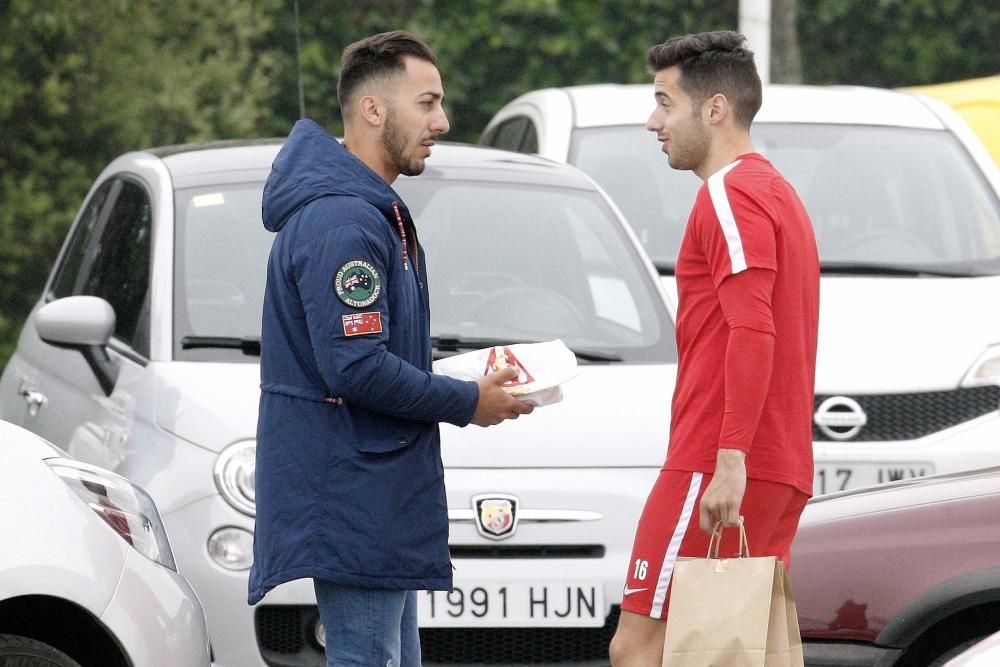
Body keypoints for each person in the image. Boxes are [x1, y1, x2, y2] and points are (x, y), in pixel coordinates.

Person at [248, 30, 534, 667]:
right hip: (355, 497)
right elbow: (355, 366)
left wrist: (467, 377)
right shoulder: (343, 221)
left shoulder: (369, 210)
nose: (443, 120)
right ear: (374, 110)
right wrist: (467, 400)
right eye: (427, 103)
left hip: (377, 494)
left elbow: (376, 354)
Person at [609, 31, 820, 666]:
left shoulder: (730, 193)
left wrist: (728, 462)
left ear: (715, 108)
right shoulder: (777, 192)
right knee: (724, 653)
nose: (653, 122)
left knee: (640, 647)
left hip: (720, 462)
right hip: (774, 461)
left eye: (664, 104)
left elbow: (755, 330)